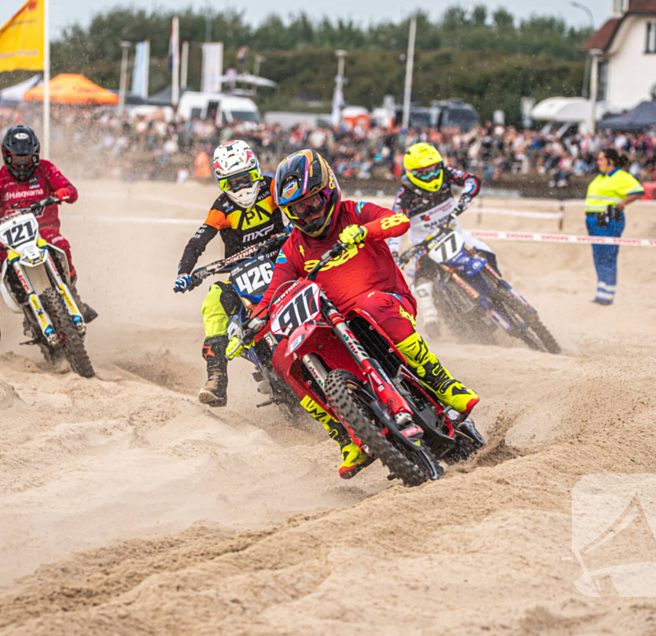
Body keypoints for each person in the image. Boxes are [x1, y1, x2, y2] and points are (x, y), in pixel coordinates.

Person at [234, 149, 480, 479]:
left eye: (313, 203)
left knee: (371, 305)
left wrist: (365, 231)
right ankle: (345, 436)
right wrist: (252, 325)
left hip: (387, 300)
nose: (308, 214)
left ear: (330, 190)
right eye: (297, 209)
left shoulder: (354, 211)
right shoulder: (294, 246)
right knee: (282, 356)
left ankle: (441, 382)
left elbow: (399, 220)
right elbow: (273, 292)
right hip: (336, 320)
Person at [0, 124, 95, 344]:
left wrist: (65, 192)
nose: (22, 164)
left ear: (36, 155)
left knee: (61, 244)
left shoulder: (46, 169)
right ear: (7, 157)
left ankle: (73, 294)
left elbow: (69, 189)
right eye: (17, 159)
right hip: (5, 242)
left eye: (27, 159)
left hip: (42, 233)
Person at [173, 139, 286, 407]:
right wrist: (184, 272)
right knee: (214, 299)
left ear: (256, 172)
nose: (241, 187)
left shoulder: (273, 188)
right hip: (241, 274)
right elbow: (196, 243)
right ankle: (217, 378)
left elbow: (297, 207)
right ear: (223, 184)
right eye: (233, 183)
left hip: (285, 261)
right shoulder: (221, 207)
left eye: (245, 179)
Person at [386, 142, 490, 338]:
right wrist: (394, 253)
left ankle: (500, 287)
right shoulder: (404, 197)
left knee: (485, 250)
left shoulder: (445, 173)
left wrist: (467, 196)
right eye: (424, 173)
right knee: (420, 276)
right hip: (426, 247)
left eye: (433, 169)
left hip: (456, 237)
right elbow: (394, 227)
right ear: (412, 173)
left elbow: (471, 179)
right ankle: (430, 318)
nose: (432, 176)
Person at [584, 148, 643, 305]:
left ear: (610, 161)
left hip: (607, 216)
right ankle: (601, 291)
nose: (598, 162)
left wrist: (622, 204)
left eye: (601, 159)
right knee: (598, 255)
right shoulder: (600, 178)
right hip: (593, 219)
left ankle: (607, 294)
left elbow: (638, 191)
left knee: (607, 255)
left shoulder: (620, 176)